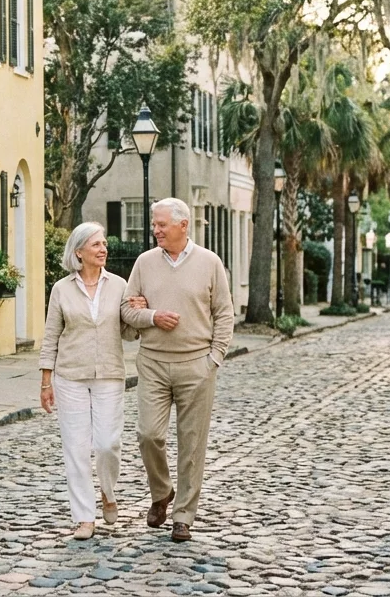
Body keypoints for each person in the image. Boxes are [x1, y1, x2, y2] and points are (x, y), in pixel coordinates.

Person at [121, 198, 234, 543]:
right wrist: (152, 316)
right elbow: (126, 310)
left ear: (183, 226)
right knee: (148, 435)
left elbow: (224, 314)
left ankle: (183, 516)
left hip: (196, 364)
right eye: (154, 224)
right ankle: (162, 492)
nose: (155, 230)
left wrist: (213, 360)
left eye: (161, 225)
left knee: (192, 443)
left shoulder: (210, 263)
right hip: (153, 363)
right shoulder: (144, 263)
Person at [40, 222, 152, 540]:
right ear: (79, 252)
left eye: (104, 244)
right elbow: (50, 337)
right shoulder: (61, 289)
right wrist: (46, 382)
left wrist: (139, 311)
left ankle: (108, 490)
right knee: (75, 449)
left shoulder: (119, 286)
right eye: (96, 245)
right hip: (70, 377)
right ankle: (84, 518)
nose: (103, 249)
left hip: (110, 375)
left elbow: (129, 332)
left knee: (107, 444)